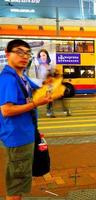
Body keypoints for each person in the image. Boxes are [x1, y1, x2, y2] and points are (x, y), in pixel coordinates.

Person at [0, 39, 52, 200]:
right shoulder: (8, 78)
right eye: (19, 52)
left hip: (25, 134)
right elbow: (6, 110)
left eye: (27, 53)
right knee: (16, 187)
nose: (24, 56)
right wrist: (36, 102)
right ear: (8, 54)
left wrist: (50, 86)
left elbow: (37, 89)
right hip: (18, 137)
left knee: (21, 181)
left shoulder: (21, 77)